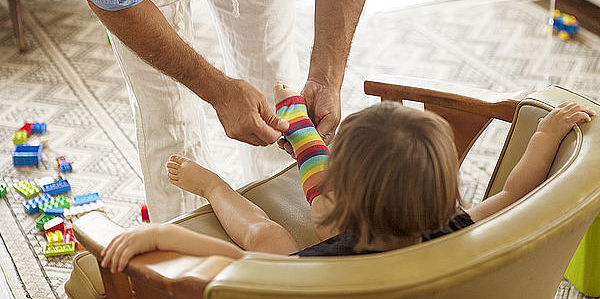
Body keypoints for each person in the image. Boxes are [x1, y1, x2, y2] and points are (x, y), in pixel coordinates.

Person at [76, 0, 407, 222]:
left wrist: (326, 78)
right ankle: (184, 257)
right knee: (167, 113)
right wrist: (217, 90)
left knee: (277, 93)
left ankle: (288, 220)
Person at [100, 83, 595, 272]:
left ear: (339, 196)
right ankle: (303, 137)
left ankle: (215, 185)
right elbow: (515, 190)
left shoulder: (314, 266)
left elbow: (238, 259)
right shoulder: (457, 230)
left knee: (265, 236)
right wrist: (545, 134)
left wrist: (163, 232)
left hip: (307, 272)